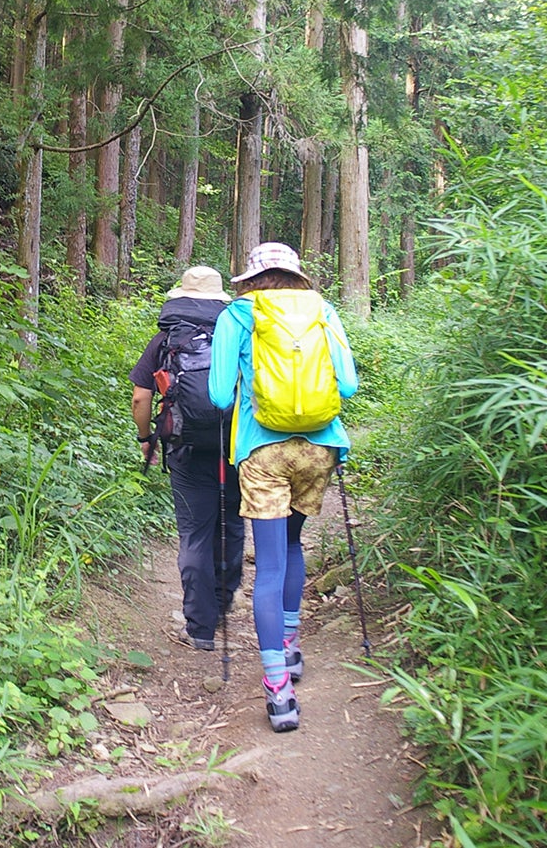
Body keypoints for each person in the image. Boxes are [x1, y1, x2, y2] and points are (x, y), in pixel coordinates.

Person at [208, 242, 358, 732]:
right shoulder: (324, 309)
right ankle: (291, 649)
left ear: (251, 278)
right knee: (294, 544)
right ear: (296, 277)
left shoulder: (238, 314)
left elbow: (215, 393)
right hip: (319, 449)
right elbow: (349, 386)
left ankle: (279, 692)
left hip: (263, 451)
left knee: (268, 566)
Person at [130, 266, 245, 652]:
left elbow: (140, 397)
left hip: (186, 447)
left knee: (195, 533)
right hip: (235, 446)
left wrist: (147, 438)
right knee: (230, 523)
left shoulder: (165, 339)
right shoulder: (241, 334)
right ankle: (223, 600)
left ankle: (200, 627)